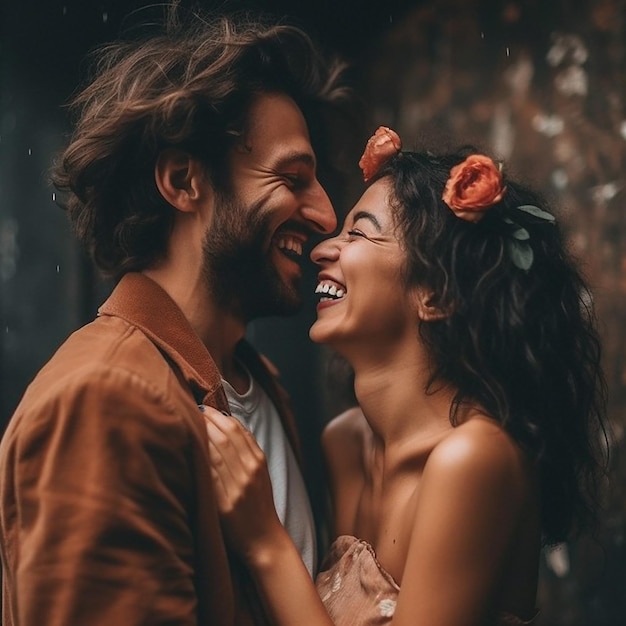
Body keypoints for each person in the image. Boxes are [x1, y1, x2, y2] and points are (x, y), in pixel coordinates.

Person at [0, 7, 350, 626]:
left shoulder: (258, 385)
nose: (325, 216)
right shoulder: (108, 398)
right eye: (291, 177)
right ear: (184, 180)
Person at [206, 126, 609, 626]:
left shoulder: (473, 458)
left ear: (436, 295)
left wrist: (265, 542)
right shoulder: (346, 444)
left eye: (358, 232)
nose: (321, 250)